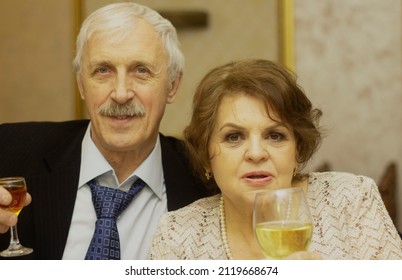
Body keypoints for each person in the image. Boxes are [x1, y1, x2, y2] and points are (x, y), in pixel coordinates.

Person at [0, 2, 209, 259]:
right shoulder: (8, 153)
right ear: (81, 86)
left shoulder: (207, 183)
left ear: (173, 86)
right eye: (103, 71)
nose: (121, 93)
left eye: (141, 71)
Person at [149, 59, 402, 260]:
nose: (256, 153)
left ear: (298, 149)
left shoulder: (351, 200)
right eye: (234, 137)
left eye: (275, 135)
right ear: (205, 156)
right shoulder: (176, 235)